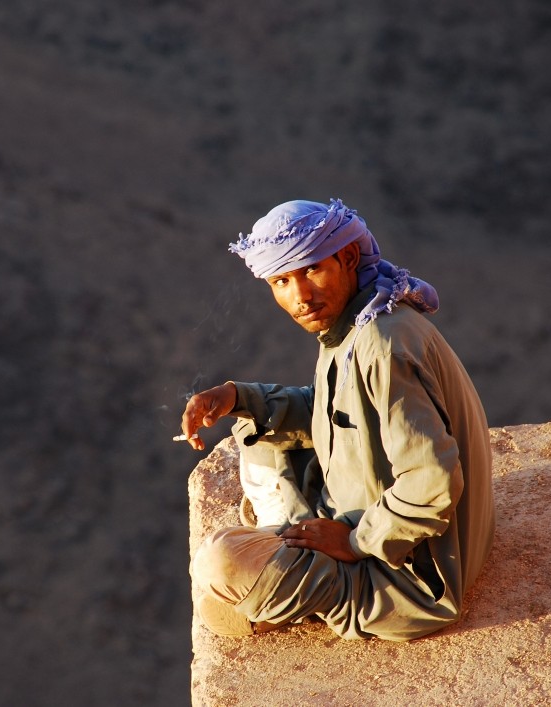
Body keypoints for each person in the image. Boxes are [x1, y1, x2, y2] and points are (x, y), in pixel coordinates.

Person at [181, 198, 494, 641]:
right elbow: (333, 410)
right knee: (256, 430)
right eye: (282, 281)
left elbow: (434, 482)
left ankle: (300, 565)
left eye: (312, 270)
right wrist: (238, 397)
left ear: (347, 257)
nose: (300, 296)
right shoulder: (356, 318)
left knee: (219, 565)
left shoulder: (382, 345)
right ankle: (292, 542)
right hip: (368, 505)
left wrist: (353, 542)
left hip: (412, 572)